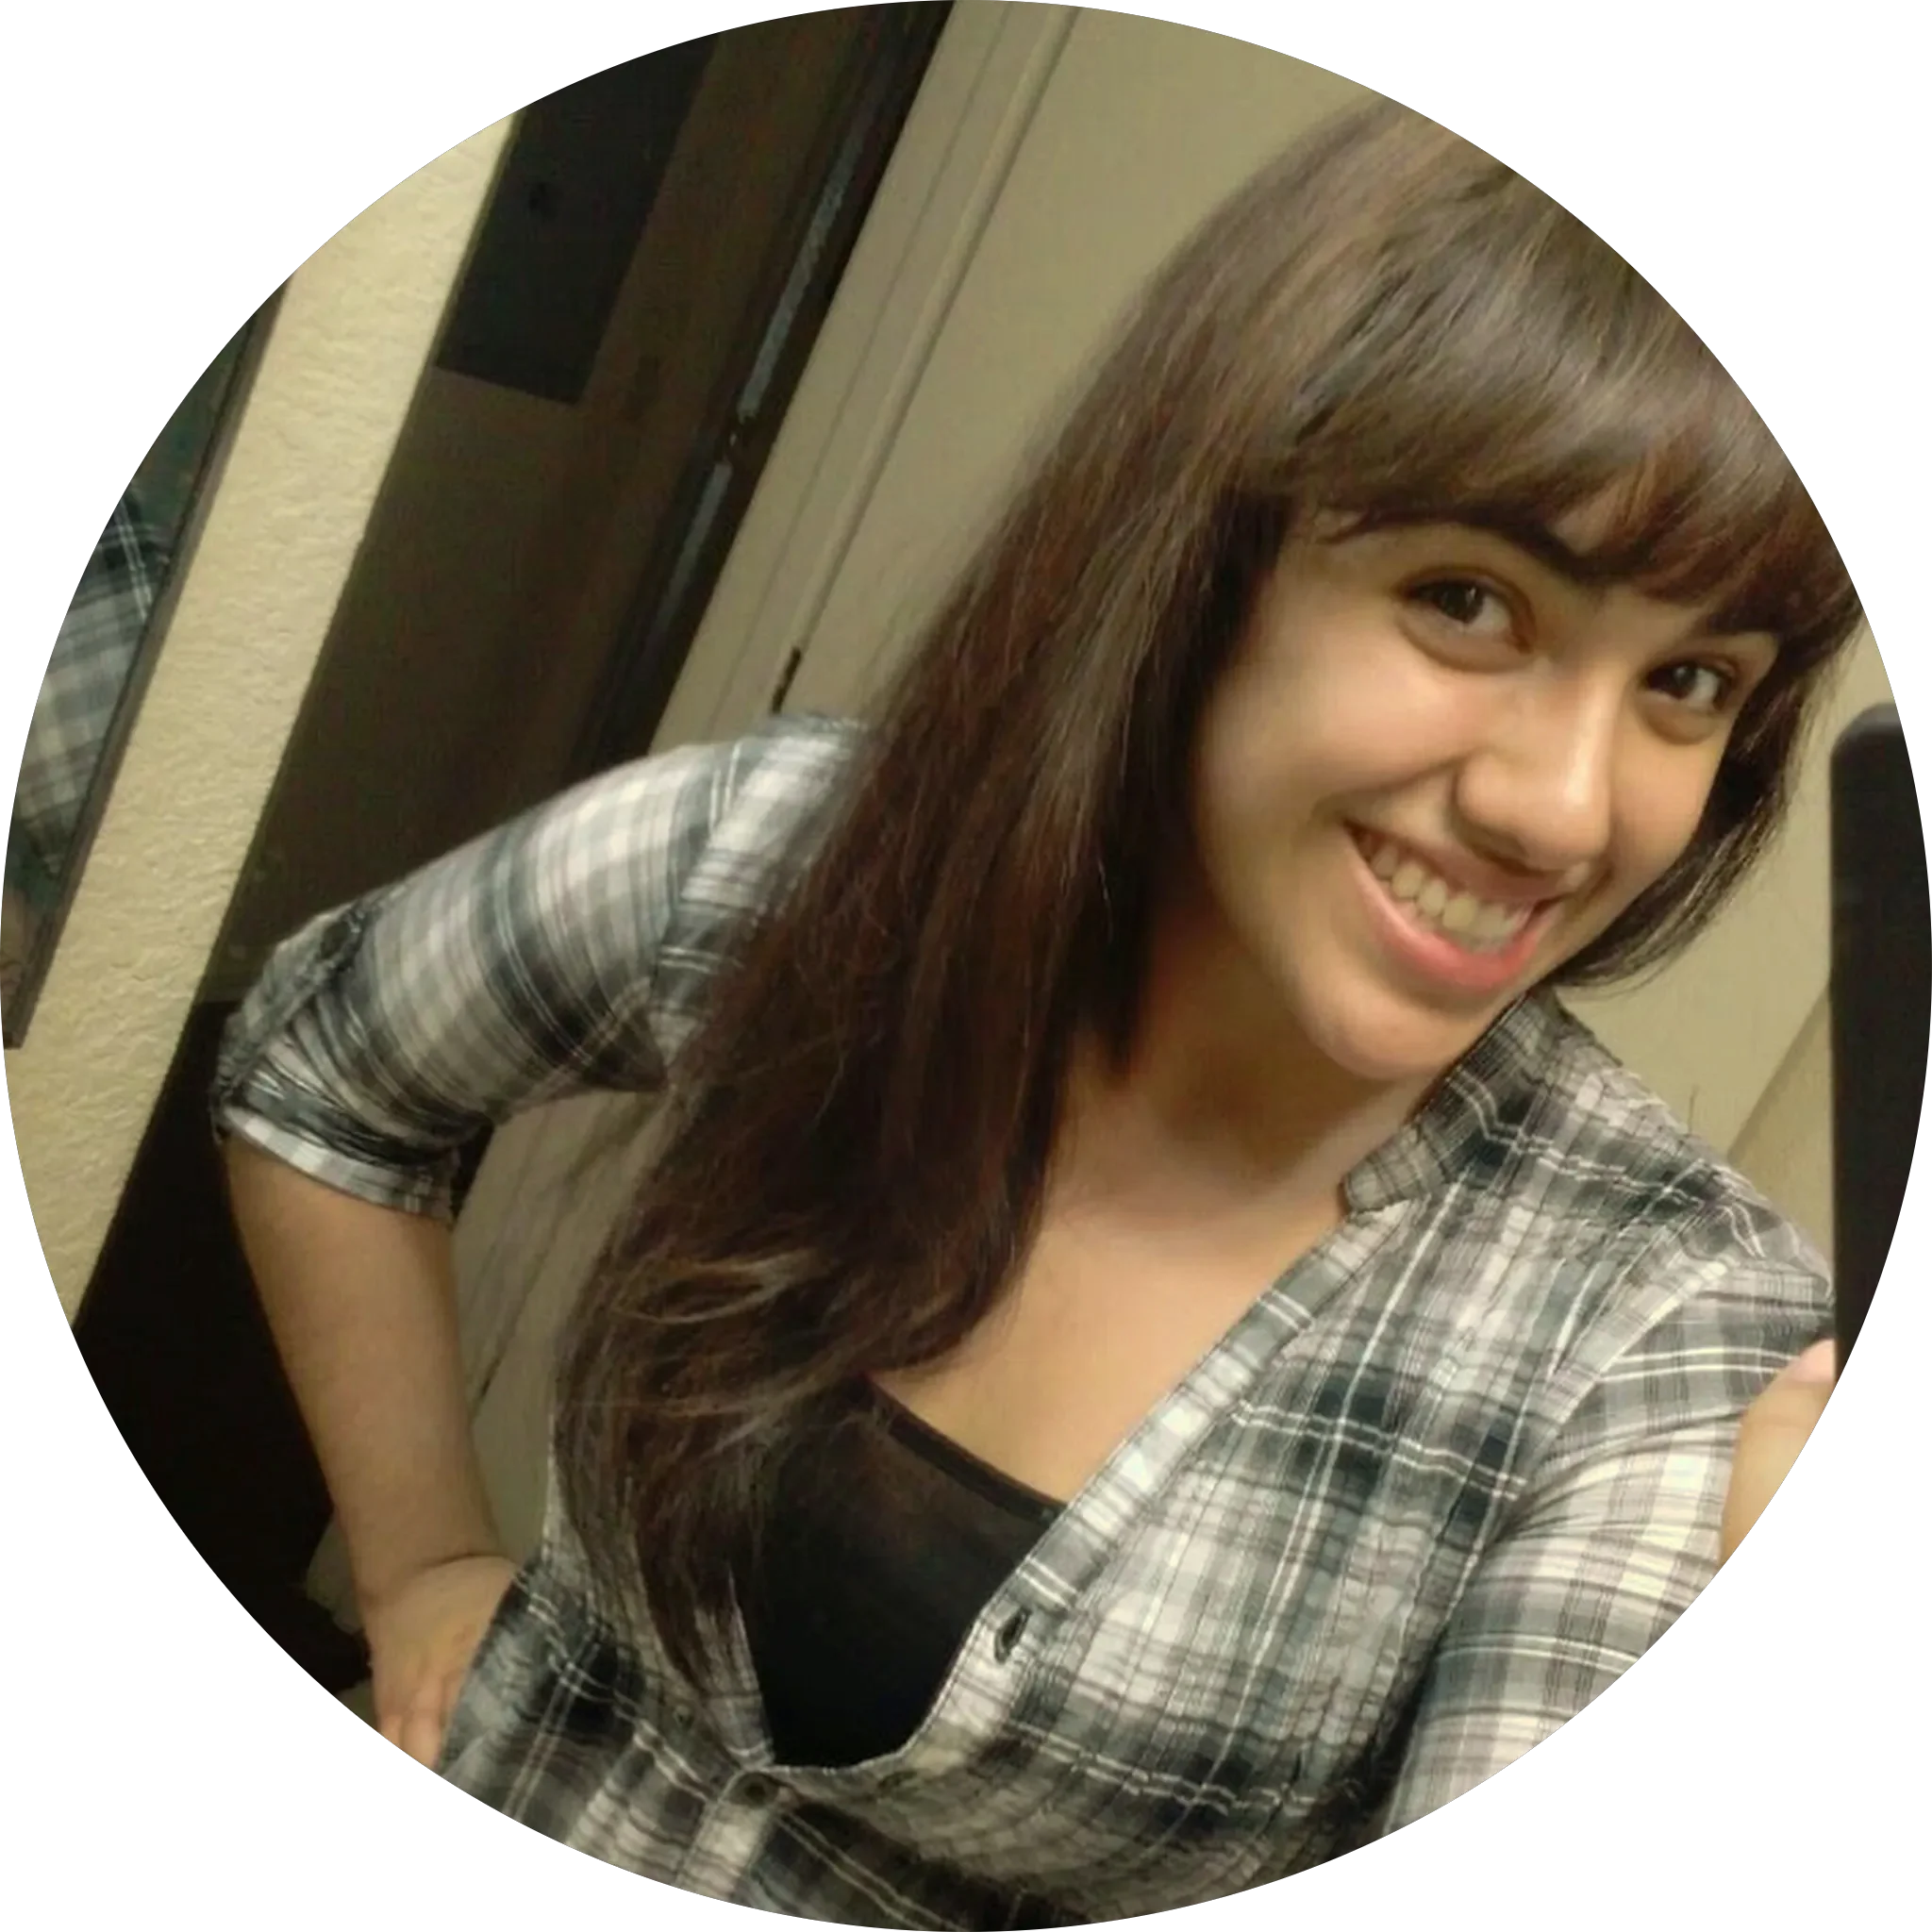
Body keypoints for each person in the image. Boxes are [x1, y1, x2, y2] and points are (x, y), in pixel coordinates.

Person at [209, 97, 1863, 1926]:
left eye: (1691, 681)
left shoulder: (1662, 1341)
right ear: (1201, 567)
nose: (1564, 808)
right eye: (1467, 600)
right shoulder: (796, 862)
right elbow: (319, 1070)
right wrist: (421, 1564)